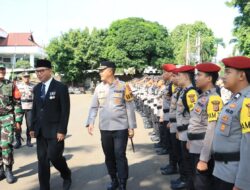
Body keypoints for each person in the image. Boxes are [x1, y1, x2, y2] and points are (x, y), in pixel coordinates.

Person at [86, 61, 137, 190]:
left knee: (120, 155)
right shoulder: (99, 88)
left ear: (110, 70)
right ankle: (114, 179)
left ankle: (122, 183)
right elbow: (93, 107)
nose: (100, 73)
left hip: (121, 128)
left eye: (102, 70)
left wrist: (131, 127)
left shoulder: (124, 86)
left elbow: (130, 107)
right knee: (109, 156)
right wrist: (90, 122)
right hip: (105, 128)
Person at [30, 59, 71, 190]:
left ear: (50, 71)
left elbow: (65, 111)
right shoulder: (36, 89)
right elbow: (35, 109)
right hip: (41, 131)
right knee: (42, 160)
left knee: (54, 157)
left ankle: (66, 174)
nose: (39, 74)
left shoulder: (60, 87)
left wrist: (62, 130)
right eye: (37, 71)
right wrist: (31, 128)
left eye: (41, 71)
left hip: (55, 131)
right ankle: (44, 187)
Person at [212, 56, 250, 190]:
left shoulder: (247, 102)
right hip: (222, 171)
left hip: (234, 176)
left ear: (241, 75)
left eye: (228, 72)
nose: (223, 76)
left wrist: (242, 183)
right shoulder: (235, 100)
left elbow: (248, 145)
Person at [187, 63, 223, 190]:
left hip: (202, 150)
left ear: (209, 78)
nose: (196, 78)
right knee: (194, 183)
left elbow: (212, 129)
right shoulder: (203, 96)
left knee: (202, 185)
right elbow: (196, 122)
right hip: (195, 146)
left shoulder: (214, 99)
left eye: (199, 75)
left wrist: (204, 158)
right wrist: (189, 140)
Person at [0, 63, 23, 183]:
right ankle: (1, 171)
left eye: (3, 69)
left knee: (6, 145)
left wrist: (18, 121)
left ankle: (8, 170)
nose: (1, 71)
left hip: (7, 118)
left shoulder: (11, 85)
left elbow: (17, 103)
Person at [14, 72, 35, 148]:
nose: (26, 78)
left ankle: (28, 141)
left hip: (30, 107)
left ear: (29, 77)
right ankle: (18, 141)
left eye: (27, 76)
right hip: (19, 106)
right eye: (25, 76)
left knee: (29, 125)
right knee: (17, 124)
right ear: (22, 77)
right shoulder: (17, 85)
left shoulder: (33, 86)